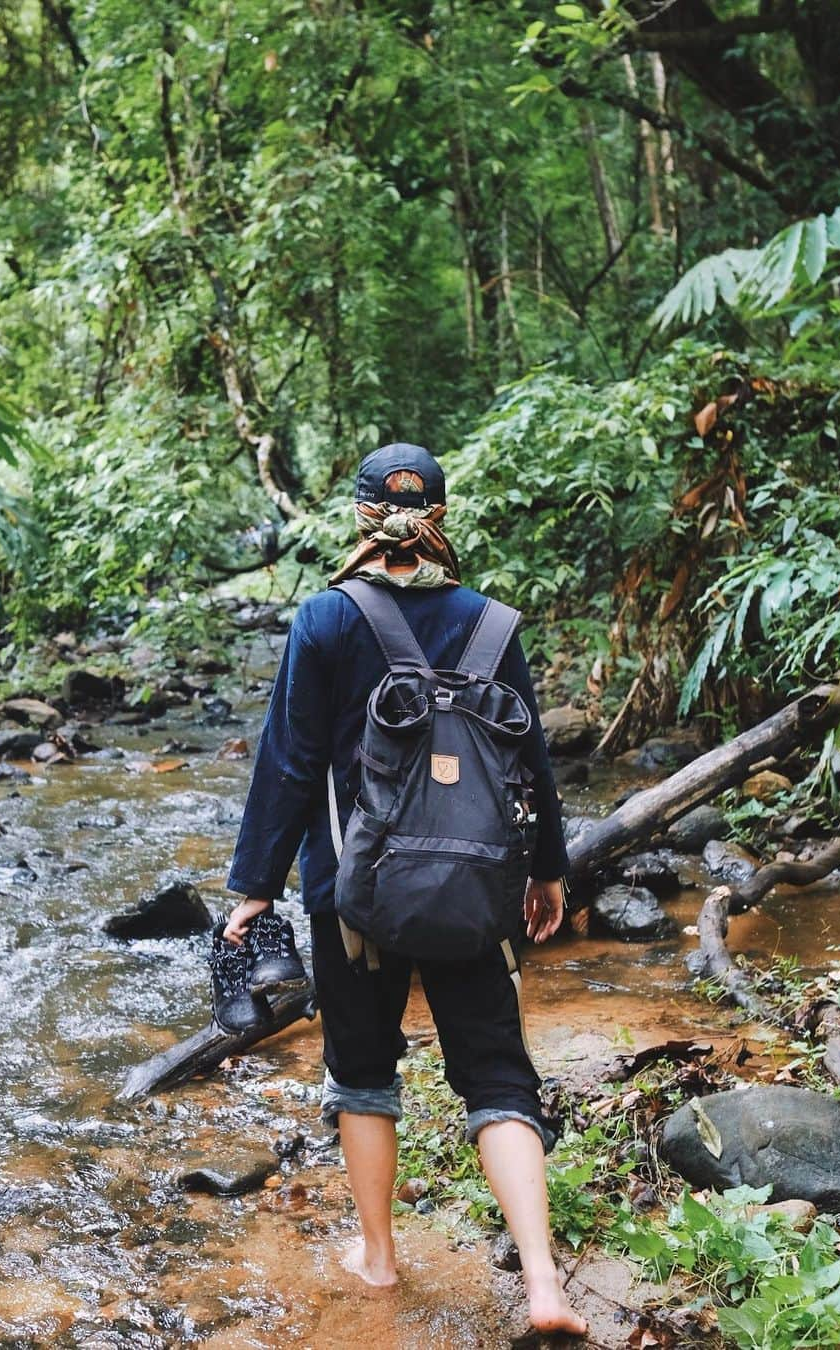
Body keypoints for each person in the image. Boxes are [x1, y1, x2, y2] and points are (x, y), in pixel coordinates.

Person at [224, 444, 587, 1338]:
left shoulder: (325, 619)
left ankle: (379, 1261)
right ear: (442, 519)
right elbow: (530, 766)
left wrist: (253, 889)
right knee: (498, 1077)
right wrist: (547, 872)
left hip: (356, 896)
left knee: (363, 1073)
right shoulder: (494, 624)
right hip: (477, 890)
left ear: (359, 519)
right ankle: (545, 1284)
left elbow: (291, 763)